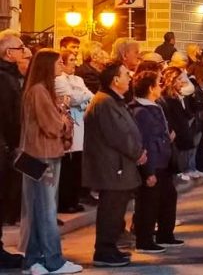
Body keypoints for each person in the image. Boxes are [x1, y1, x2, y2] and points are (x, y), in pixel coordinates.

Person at [18, 49, 83, 275]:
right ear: (47, 66)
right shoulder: (39, 91)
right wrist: (64, 120)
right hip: (43, 155)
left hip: (38, 154)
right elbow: (52, 125)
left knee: (38, 208)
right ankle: (53, 260)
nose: (61, 66)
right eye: (57, 63)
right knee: (46, 210)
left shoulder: (39, 90)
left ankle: (34, 260)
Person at [83, 61, 147, 267]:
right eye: (126, 74)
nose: (130, 78)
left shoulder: (114, 100)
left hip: (118, 165)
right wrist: (137, 153)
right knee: (110, 209)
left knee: (116, 209)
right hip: (111, 166)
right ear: (115, 80)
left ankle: (110, 248)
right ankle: (104, 251)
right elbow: (117, 135)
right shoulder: (104, 102)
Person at [129, 71, 183, 254]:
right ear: (151, 88)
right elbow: (146, 141)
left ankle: (165, 234)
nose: (161, 87)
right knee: (148, 202)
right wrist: (148, 171)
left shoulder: (154, 106)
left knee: (168, 197)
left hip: (163, 161)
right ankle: (144, 240)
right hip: (153, 162)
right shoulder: (141, 111)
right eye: (158, 84)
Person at [55, 49, 94, 214]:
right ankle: (65, 202)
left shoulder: (78, 79)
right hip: (69, 127)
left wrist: (81, 97)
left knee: (77, 166)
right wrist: (81, 96)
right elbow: (70, 98)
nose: (75, 63)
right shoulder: (58, 80)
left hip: (81, 124)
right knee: (68, 168)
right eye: (71, 60)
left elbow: (90, 97)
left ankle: (74, 199)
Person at [0, 30, 25, 241]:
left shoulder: (10, 76)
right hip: (5, 144)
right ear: (9, 52)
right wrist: (14, 143)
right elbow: (9, 115)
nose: (24, 51)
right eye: (20, 48)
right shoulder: (5, 78)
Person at [159, 67, 196, 182]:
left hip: (182, 131)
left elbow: (185, 113)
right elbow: (170, 117)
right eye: (179, 79)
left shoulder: (178, 95)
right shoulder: (166, 98)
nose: (182, 82)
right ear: (171, 80)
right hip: (176, 135)